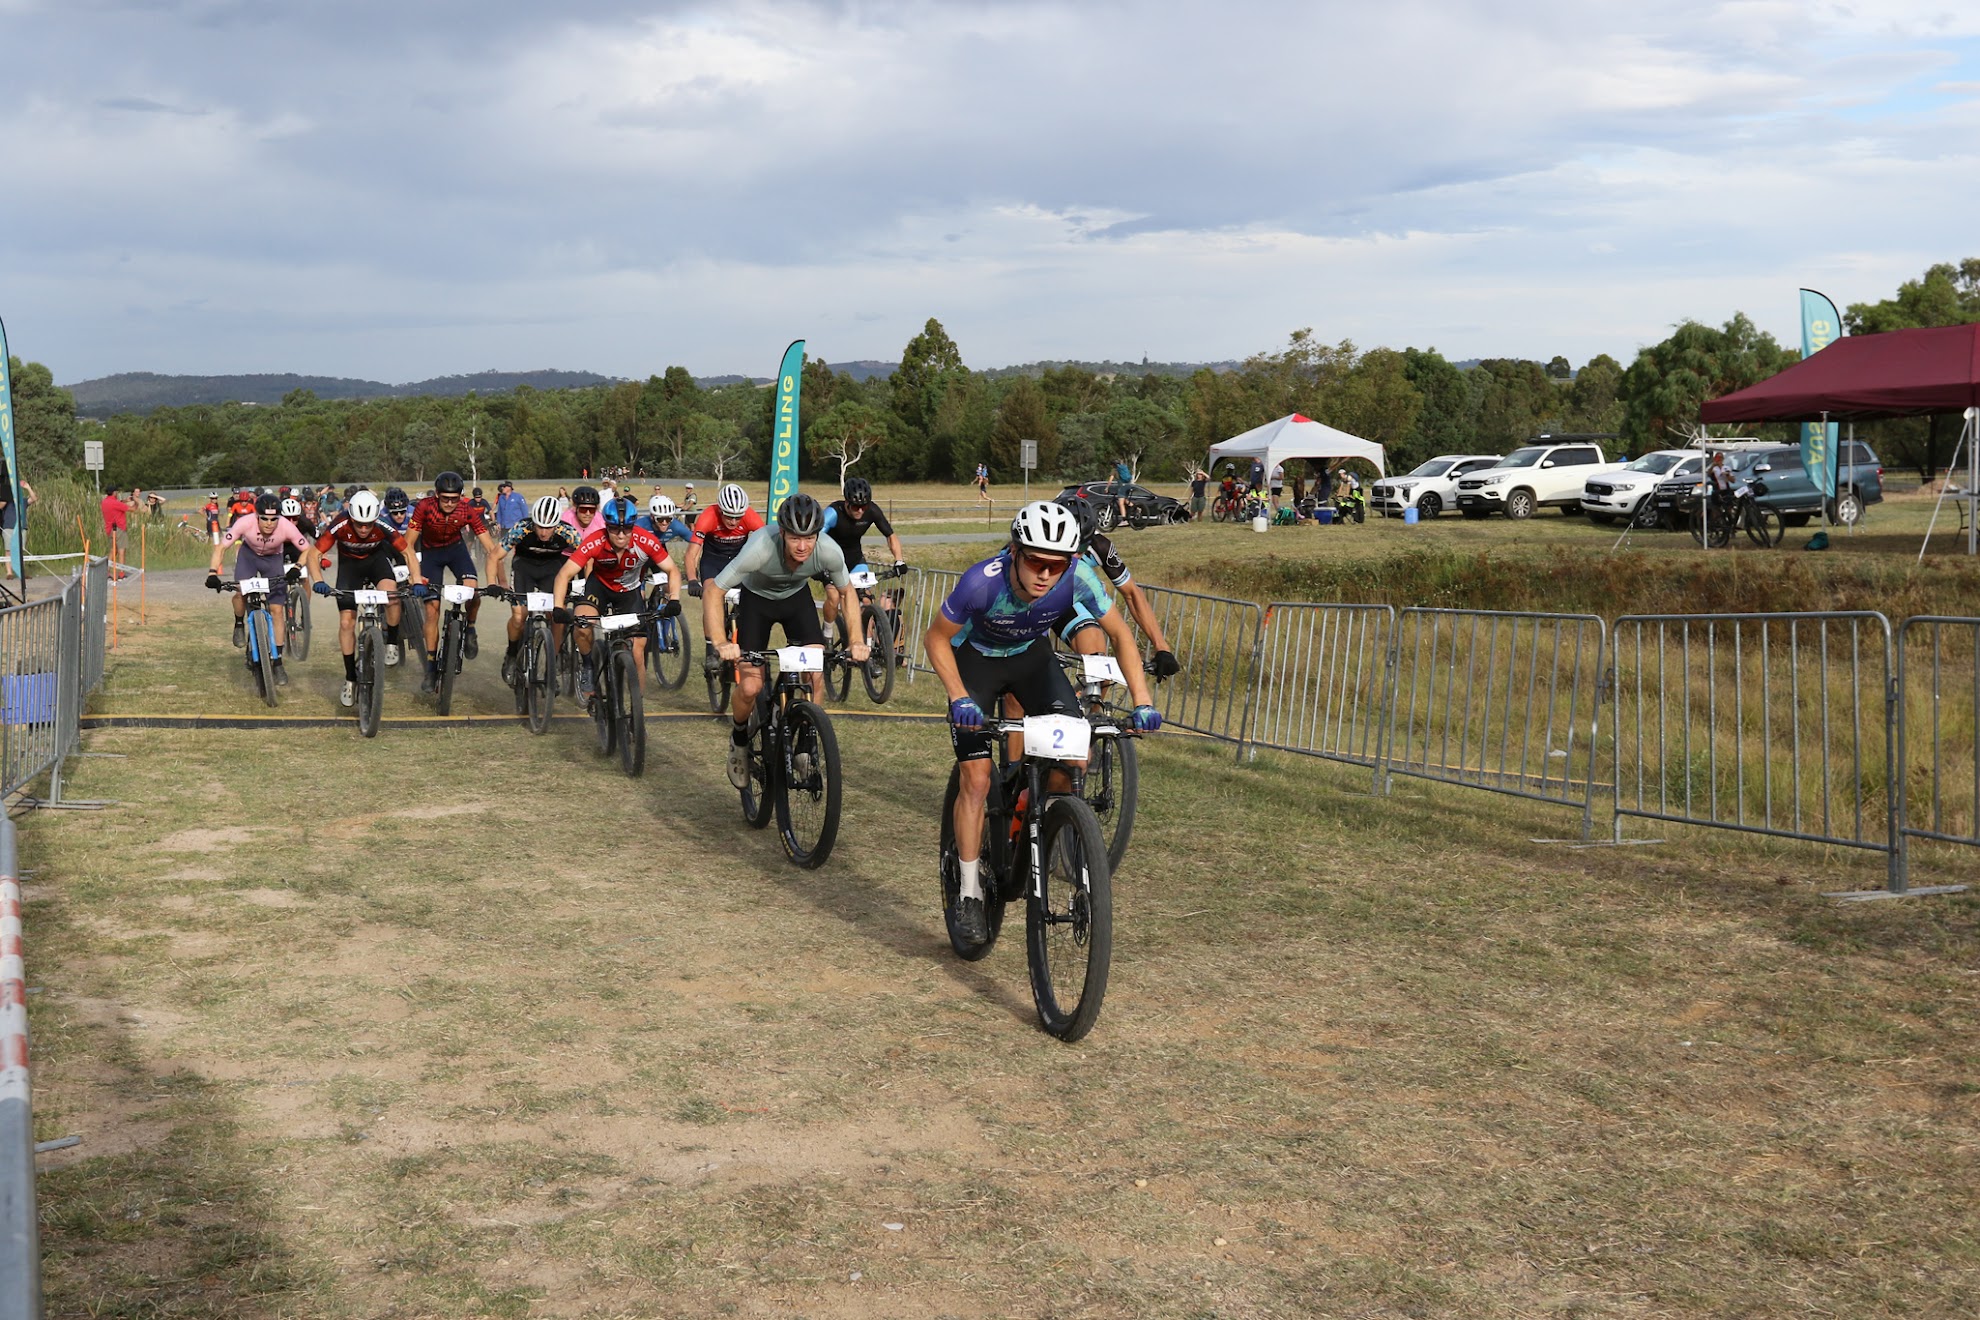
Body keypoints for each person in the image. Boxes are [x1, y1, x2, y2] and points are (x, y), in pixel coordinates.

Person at [924, 501, 1160, 943]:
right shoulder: (981, 582)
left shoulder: (1079, 577)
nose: (1045, 574)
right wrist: (958, 696)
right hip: (975, 664)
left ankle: (1042, 819)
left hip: (1032, 661)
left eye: (1057, 565)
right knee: (975, 780)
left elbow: (1121, 634)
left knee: (1076, 755)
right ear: (1015, 551)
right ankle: (971, 892)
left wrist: (1143, 700)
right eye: (1035, 560)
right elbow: (936, 638)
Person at [704, 492, 866, 788]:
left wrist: (856, 640)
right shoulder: (760, 548)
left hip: (796, 600)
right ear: (782, 533)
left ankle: (805, 745)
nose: (802, 547)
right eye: (794, 538)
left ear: (818, 535)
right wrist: (720, 641)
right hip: (757, 600)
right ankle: (739, 738)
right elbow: (714, 590)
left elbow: (848, 593)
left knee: (814, 674)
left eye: (809, 538)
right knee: (751, 684)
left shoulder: (829, 550)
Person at [552, 496, 681, 703]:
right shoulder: (595, 540)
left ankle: (637, 709)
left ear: (633, 526)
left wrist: (674, 599)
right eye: (614, 529)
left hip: (629, 592)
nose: (621, 535)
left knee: (638, 649)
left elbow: (672, 570)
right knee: (583, 626)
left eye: (626, 529)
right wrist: (558, 607)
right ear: (607, 526)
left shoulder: (646, 540)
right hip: (599, 588)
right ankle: (587, 666)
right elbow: (564, 574)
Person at [404, 470, 506, 694]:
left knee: (473, 593)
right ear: (437, 495)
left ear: (461, 496)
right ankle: (430, 667)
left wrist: (501, 580)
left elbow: (491, 548)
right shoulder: (424, 507)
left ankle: (470, 628)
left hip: (456, 551)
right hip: (431, 554)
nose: (450, 503)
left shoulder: (467, 509)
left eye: (454, 498)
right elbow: (407, 544)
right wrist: (414, 576)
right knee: (432, 609)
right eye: (445, 499)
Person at [207, 492, 319, 690]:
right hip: (248, 557)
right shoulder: (244, 522)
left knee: (277, 610)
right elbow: (221, 547)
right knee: (240, 591)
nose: (269, 524)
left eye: (273, 519)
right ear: (256, 516)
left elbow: (306, 549)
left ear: (279, 517)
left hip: (273, 560)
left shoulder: (286, 526)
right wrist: (212, 573)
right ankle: (239, 623)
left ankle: (277, 663)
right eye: (264, 519)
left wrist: (296, 568)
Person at [310, 489, 410, 706]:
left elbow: (408, 552)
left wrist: (418, 580)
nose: (364, 529)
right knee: (346, 623)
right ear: (351, 518)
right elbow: (314, 553)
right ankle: (350, 678)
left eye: (368, 524)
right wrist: (318, 580)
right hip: (349, 569)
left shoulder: (383, 524)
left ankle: (391, 641)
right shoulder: (340, 523)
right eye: (359, 524)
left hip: (376, 562)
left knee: (392, 595)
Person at [498, 495, 582, 694]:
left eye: (549, 527)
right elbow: (495, 556)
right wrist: (498, 583)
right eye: (539, 527)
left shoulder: (567, 532)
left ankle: (554, 661)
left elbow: (586, 556)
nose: (544, 532)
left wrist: (585, 581)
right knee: (519, 616)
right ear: (533, 523)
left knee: (557, 614)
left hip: (551, 570)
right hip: (523, 569)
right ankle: (511, 653)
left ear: (557, 525)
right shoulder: (522, 528)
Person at [684, 483, 767, 673]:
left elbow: (768, 546)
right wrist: (692, 579)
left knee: (750, 599)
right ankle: (710, 649)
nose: (733, 521)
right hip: (713, 560)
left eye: (738, 517)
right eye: (729, 516)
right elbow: (691, 553)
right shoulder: (708, 516)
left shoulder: (750, 516)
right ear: (720, 510)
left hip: (739, 561)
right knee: (711, 597)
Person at [820, 475, 906, 635]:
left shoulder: (872, 510)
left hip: (855, 560)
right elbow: (815, 539)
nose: (860, 511)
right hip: (831, 562)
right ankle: (827, 632)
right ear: (846, 502)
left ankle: (864, 647)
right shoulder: (833, 513)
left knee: (866, 601)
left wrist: (899, 561)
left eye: (864, 507)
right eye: (855, 507)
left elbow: (890, 535)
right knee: (834, 597)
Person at [0, 474, 35, 583]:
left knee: (20, 550)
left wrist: (28, 487)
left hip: (21, 528)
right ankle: (9, 572)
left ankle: (21, 572)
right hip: (9, 527)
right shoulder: (7, 500)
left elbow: (34, 499)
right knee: (8, 550)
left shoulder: (23, 501)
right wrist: (7, 494)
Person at [100, 486, 133, 573]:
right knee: (121, 550)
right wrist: (137, 502)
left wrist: (125, 501)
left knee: (113, 550)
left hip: (110, 529)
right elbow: (132, 509)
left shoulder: (104, 502)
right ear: (114, 492)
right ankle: (121, 572)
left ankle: (106, 571)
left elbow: (116, 504)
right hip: (119, 528)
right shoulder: (115, 503)